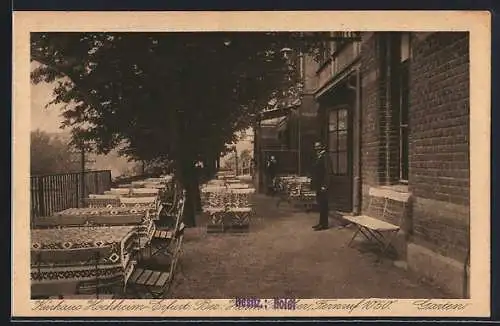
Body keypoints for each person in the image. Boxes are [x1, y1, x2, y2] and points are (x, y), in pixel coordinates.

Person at [311, 141, 329, 231]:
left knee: (324, 205)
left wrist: (325, 185)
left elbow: (327, 172)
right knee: (321, 204)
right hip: (318, 185)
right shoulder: (318, 157)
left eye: (318, 146)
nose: (316, 148)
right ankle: (321, 223)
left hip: (323, 185)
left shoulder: (325, 157)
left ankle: (324, 224)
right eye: (315, 147)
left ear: (322, 147)